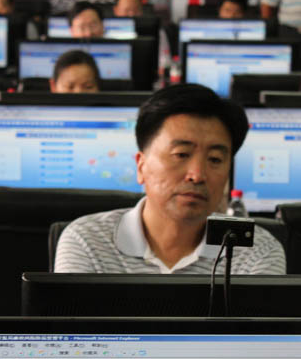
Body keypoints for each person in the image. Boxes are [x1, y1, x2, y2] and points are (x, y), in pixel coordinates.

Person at [55, 84, 286, 274]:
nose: (197, 175)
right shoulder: (88, 242)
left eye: (215, 159)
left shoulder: (256, 252)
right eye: (181, 154)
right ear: (141, 166)